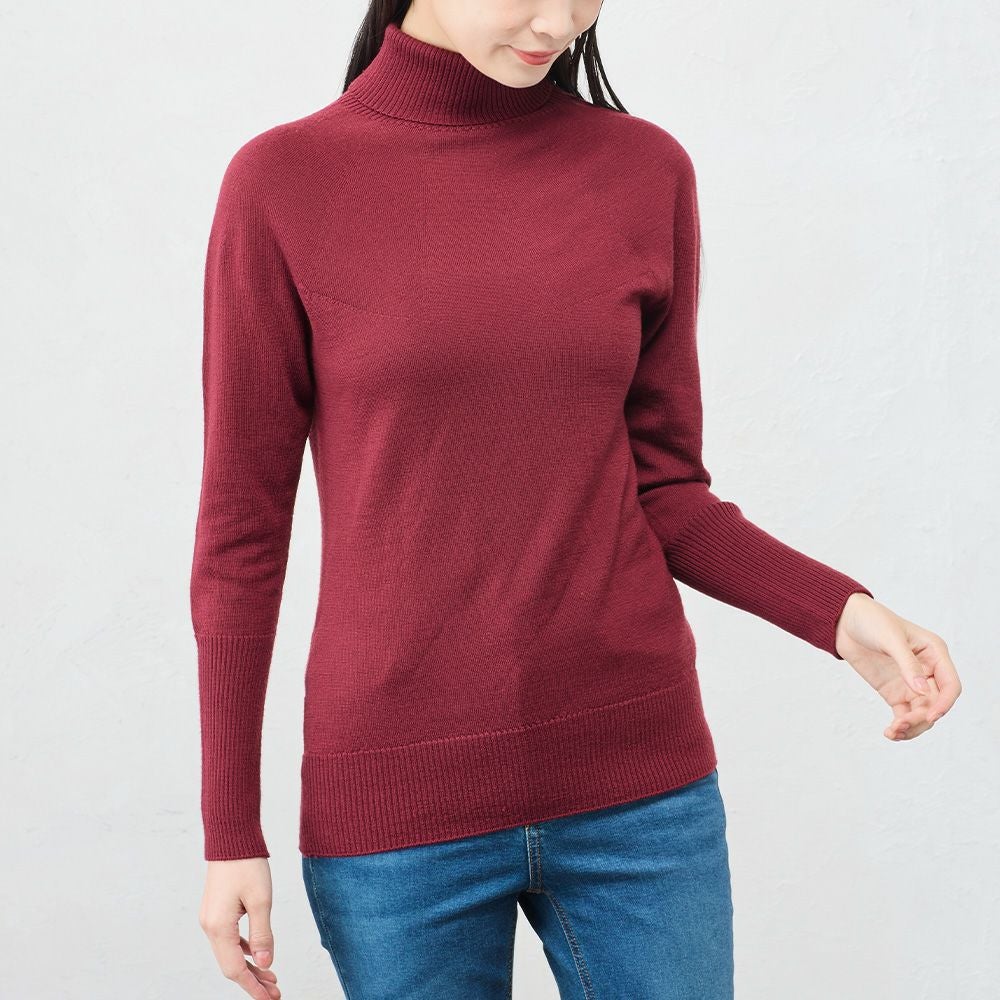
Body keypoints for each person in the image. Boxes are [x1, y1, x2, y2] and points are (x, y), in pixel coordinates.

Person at [190, 3, 962, 998]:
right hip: (397, 806)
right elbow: (242, 532)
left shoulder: (643, 170)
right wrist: (230, 830)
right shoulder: (284, 182)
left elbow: (666, 487)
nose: (559, 20)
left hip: (642, 791)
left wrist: (841, 614)